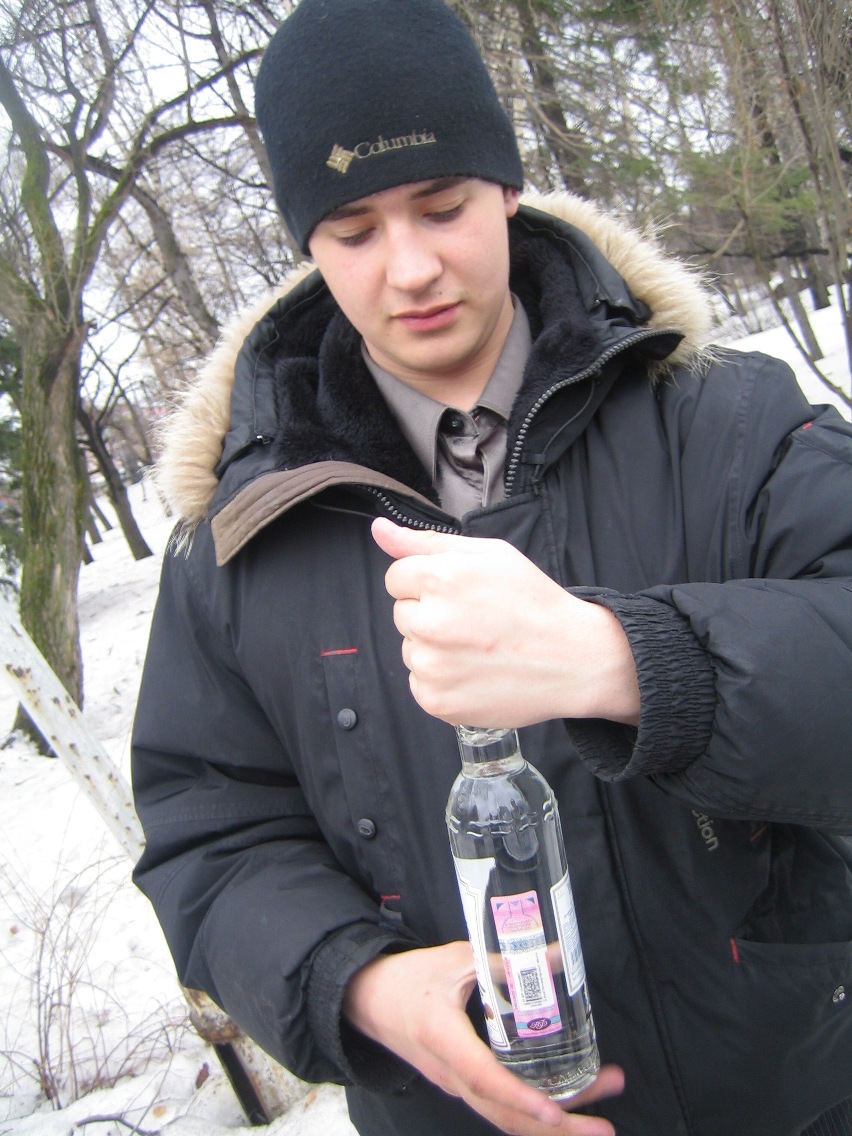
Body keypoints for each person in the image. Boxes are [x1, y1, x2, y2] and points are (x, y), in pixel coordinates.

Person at [130, 1, 852, 1134]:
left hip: (788, 1092)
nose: (411, 267)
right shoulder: (237, 540)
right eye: (354, 231)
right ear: (306, 245)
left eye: (442, 206)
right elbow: (210, 833)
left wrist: (630, 661)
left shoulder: (722, 419)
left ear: (507, 186)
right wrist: (356, 983)